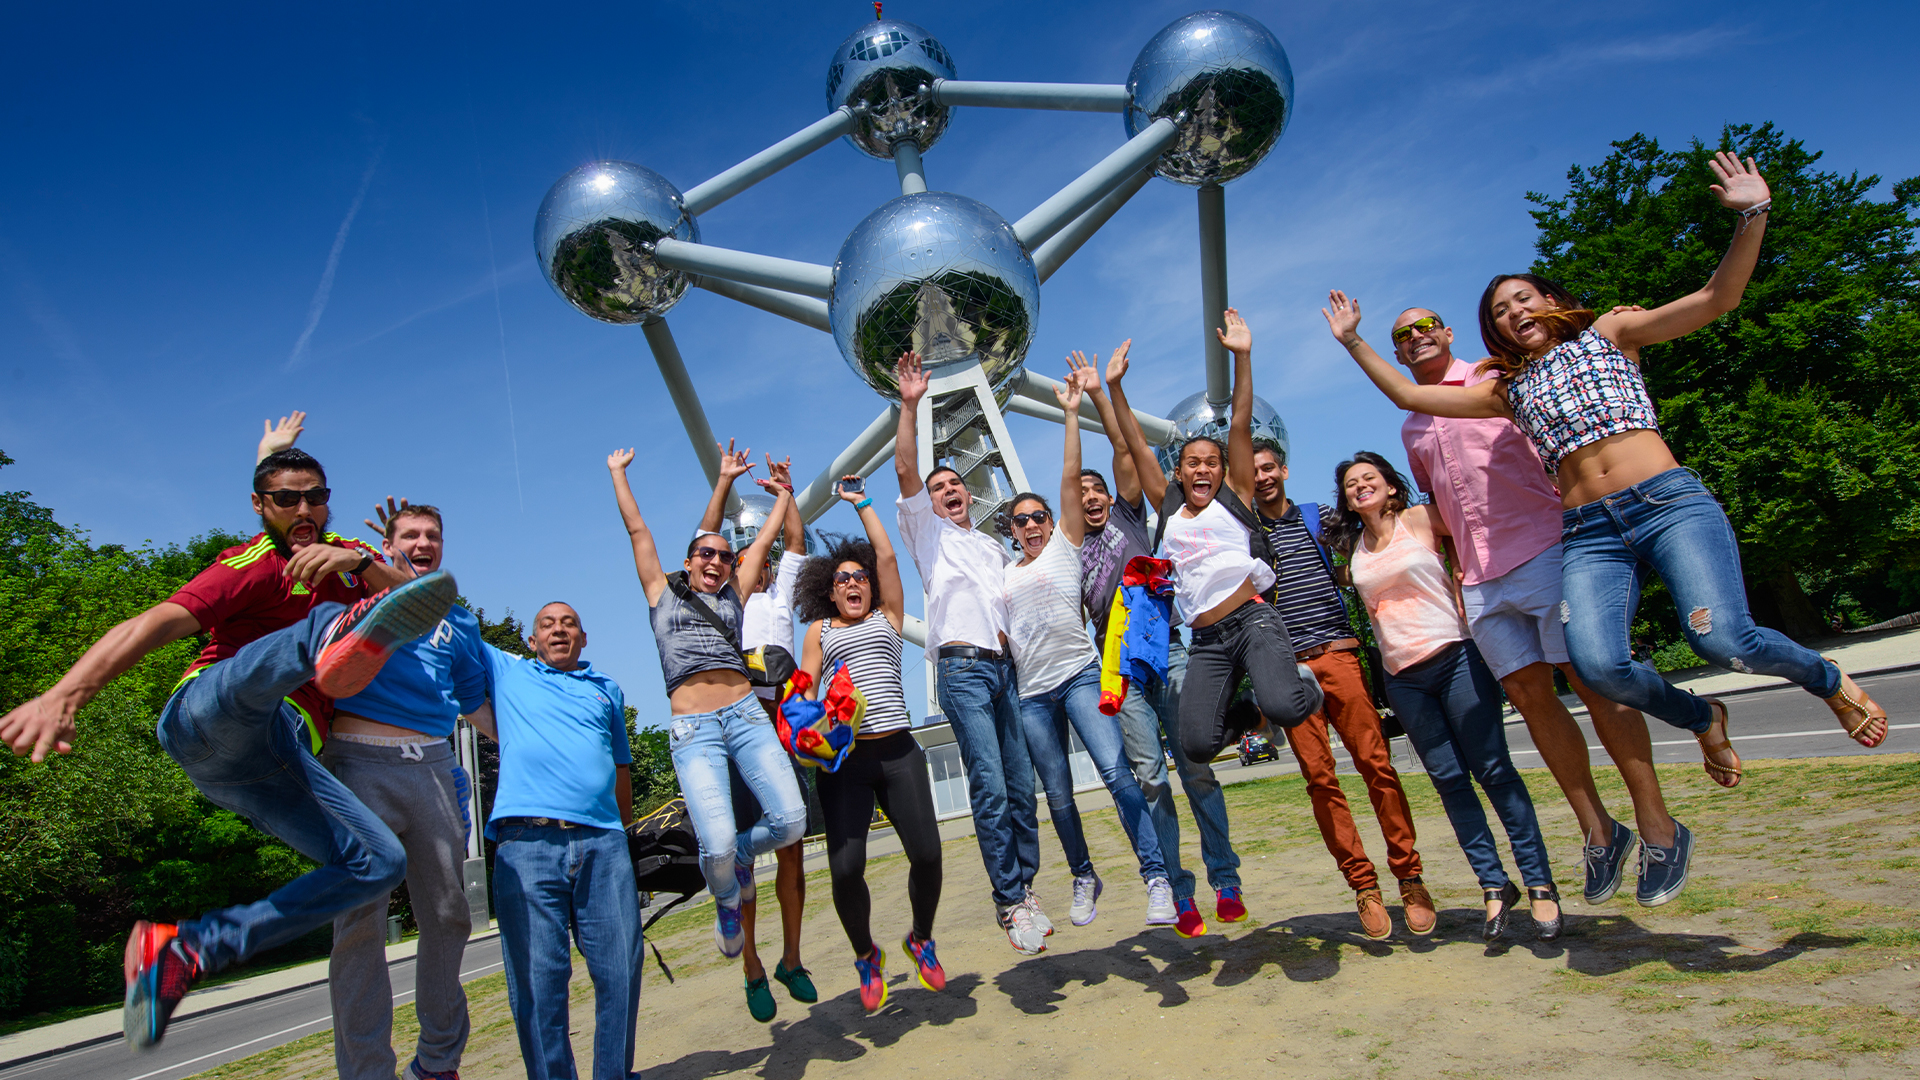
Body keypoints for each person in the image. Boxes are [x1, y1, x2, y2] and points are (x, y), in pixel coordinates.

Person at [1327, 151, 1889, 905]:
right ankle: (1697, 721)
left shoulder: (1611, 333)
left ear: (1551, 300)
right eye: (1501, 310)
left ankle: (1824, 680)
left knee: (1722, 637)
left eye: (1523, 299)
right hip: (1588, 529)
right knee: (1598, 665)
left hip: (1660, 502)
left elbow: (1719, 298)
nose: (1514, 313)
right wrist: (1353, 340)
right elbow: (1404, 392)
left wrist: (1753, 213)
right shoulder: (1509, 389)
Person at [0, 438, 452, 1050]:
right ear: (260, 506)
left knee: (375, 864)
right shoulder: (250, 563)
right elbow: (153, 622)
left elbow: (419, 608)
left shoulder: (351, 559)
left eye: (315, 498)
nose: (304, 511)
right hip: (208, 714)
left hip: (268, 763)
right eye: (286, 500)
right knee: (311, 632)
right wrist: (65, 695)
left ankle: (186, 948)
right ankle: (325, 640)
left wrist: (356, 566)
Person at [1388, 306, 1675, 906]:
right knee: (1531, 702)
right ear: (1397, 354)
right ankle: (1599, 830)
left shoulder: (1501, 382)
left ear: (1448, 334)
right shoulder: (1413, 427)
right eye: (1402, 336)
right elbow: (1442, 501)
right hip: (1483, 578)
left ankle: (1658, 826)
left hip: (1545, 545)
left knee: (1594, 682)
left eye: (1425, 327)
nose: (1416, 338)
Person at [252, 415, 483, 1080]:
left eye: (433, 537)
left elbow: (479, 703)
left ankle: (439, 1062)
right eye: (409, 536)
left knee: (449, 914)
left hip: (434, 770)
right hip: (358, 766)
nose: (424, 544)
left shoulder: (454, 616)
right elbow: (287, 535)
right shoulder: (347, 583)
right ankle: (366, 1071)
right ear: (386, 544)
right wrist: (273, 457)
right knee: (358, 926)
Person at [1331, 452, 1560, 943]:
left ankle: (1540, 883)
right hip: (1403, 677)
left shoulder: (1420, 519)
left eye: (1369, 478)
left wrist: (1463, 575)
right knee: (1450, 781)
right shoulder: (1352, 545)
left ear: (1391, 486)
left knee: (1494, 769)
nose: (1360, 486)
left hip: (1456, 657)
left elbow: (1476, 530)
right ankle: (1494, 885)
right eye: (1351, 484)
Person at [607, 444, 808, 958]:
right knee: (713, 844)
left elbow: (766, 541)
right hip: (694, 730)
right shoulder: (661, 593)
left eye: (723, 555)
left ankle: (737, 860)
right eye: (706, 554)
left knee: (792, 821)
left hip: (747, 716)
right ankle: (726, 895)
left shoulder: (735, 594)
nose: (716, 561)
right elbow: (637, 532)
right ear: (688, 561)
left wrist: (784, 492)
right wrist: (618, 474)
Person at [1080, 343, 1248, 938]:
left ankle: (1224, 879)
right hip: (1117, 667)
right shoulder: (1068, 551)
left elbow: (1127, 449)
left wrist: (1103, 391)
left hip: (1170, 646)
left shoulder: (1131, 518)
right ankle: (1181, 893)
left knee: (1196, 766)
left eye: (1096, 489)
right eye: (1079, 495)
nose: (1091, 498)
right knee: (1150, 779)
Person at [1002, 358, 1173, 930]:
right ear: (1011, 530)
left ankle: (1155, 877)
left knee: (1117, 772)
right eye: (1019, 522)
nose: (1030, 526)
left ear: (1053, 522)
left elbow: (1071, 475)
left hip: (1079, 674)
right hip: (1032, 694)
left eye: (1038, 517)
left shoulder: (1064, 548)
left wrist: (1072, 413)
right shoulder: (1004, 574)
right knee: (1057, 796)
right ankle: (1083, 875)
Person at [1243, 420, 1429, 940]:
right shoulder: (1245, 533)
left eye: (1268, 467)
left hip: (1338, 654)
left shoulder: (1319, 518)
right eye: (1252, 471)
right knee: (1320, 780)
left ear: (1283, 469)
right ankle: (1364, 887)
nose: (1261, 477)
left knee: (1376, 764)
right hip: (1285, 670)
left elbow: (1374, 545)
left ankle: (1409, 877)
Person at [891, 349, 1049, 955]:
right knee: (986, 778)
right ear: (928, 505)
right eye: (940, 488)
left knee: (1018, 779)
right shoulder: (926, 536)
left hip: (1006, 670)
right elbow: (907, 469)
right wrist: (910, 406)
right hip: (961, 670)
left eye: (956, 484)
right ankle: (1008, 902)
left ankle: (1027, 888)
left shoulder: (991, 547)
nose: (951, 491)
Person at [465, 602, 640, 1080]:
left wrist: (621, 836)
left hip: (603, 845)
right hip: (526, 845)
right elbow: (450, 626)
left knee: (620, 970)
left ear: (584, 638)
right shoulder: (508, 671)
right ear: (531, 641)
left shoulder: (607, 690)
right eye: (547, 624)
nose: (558, 630)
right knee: (539, 982)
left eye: (568, 624)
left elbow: (621, 767)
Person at [794, 475, 945, 1013]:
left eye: (860, 577)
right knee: (845, 870)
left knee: (927, 854)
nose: (854, 583)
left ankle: (920, 939)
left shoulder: (889, 615)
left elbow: (885, 552)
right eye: (843, 580)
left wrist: (862, 505)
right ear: (829, 591)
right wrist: (799, 720)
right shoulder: (819, 631)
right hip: (845, 763)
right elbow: (804, 686)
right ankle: (866, 955)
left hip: (900, 751)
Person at [695, 445, 816, 1022]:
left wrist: (787, 491)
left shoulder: (783, 595)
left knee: (792, 850)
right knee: (745, 865)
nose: (757, 564)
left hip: (782, 729)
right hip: (735, 728)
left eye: (759, 558)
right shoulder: (721, 605)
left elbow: (793, 543)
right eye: (747, 558)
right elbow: (707, 542)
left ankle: (793, 958)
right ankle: (751, 968)